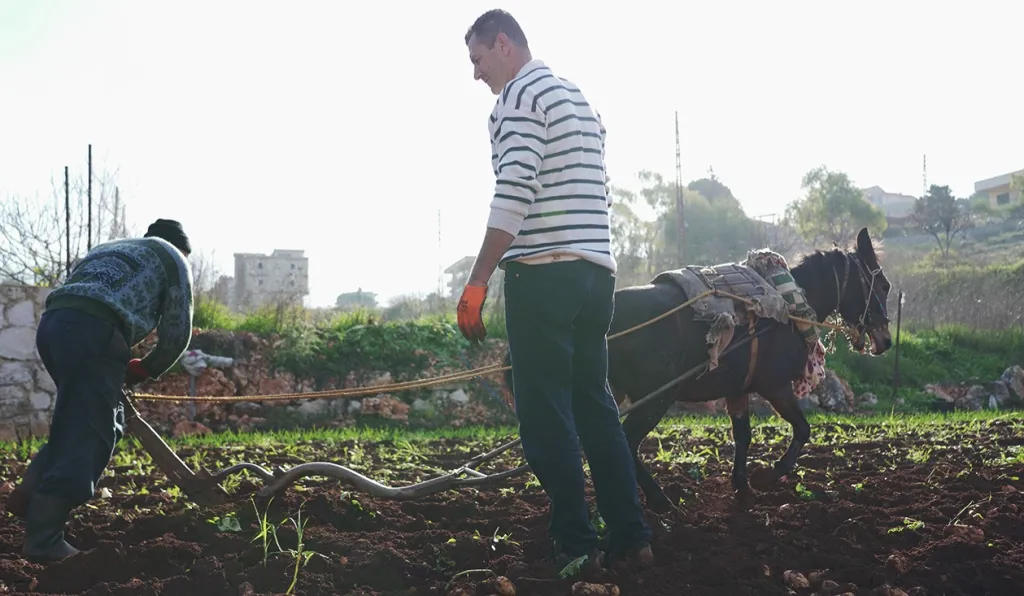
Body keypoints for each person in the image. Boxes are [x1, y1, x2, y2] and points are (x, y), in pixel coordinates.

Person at [457, 9, 654, 573]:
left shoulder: (518, 97)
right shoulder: (578, 99)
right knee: (595, 405)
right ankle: (630, 535)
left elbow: (515, 187)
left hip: (543, 275)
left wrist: (477, 281)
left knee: (544, 415)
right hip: (597, 274)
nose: (475, 75)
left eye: (476, 60)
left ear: (503, 46)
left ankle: (576, 543)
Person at [5, 218, 195, 563]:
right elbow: (178, 332)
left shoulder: (110, 248)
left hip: (54, 327)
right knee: (91, 433)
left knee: (81, 420)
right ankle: (45, 541)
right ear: (182, 249)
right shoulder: (173, 257)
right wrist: (146, 368)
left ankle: (33, 489)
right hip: (95, 332)